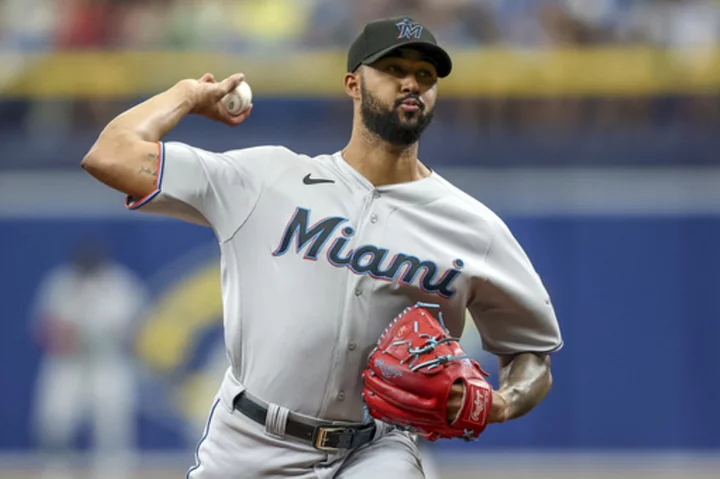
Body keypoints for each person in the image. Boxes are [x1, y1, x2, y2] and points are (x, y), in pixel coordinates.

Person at [81, 16, 563, 479]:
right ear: (353, 84)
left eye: (425, 74)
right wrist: (186, 95)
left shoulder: (471, 227)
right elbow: (110, 156)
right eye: (394, 70)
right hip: (250, 440)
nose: (411, 83)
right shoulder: (267, 178)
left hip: (377, 449)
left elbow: (532, 354)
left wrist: (500, 403)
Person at [30, 239, 146, 479]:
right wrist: (64, 336)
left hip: (108, 359)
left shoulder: (119, 284)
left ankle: (114, 471)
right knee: (56, 416)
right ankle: (55, 470)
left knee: (112, 418)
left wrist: (113, 336)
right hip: (68, 361)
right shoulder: (61, 283)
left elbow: (135, 327)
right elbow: (45, 326)